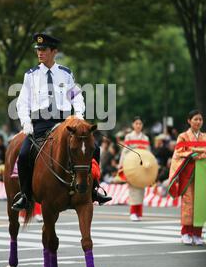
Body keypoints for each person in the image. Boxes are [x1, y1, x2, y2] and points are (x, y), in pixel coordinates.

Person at [12, 32, 111, 211]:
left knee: (94, 148)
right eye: (38, 50)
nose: (39, 53)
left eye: (43, 49)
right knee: (24, 154)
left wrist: (79, 115)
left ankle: (94, 189)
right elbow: (22, 102)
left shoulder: (65, 74)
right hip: (40, 124)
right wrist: (26, 122)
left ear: (54, 51)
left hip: (65, 124)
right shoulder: (31, 75)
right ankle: (25, 195)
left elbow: (76, 95)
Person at [168, 110, 206, 245]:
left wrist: (196, 153)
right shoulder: (183, 136)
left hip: (202, 175)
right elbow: (178, 153)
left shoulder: (205, 137)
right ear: (189, 121)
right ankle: (186, 233)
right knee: (188, 203)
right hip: (188, 173)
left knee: (201, 204)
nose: (198, 122)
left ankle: (197, 234)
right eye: (195, 119)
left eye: (200, 119)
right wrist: (196, 154)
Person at [118, 116, 150, 221]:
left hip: (141, 166)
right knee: (132, 189)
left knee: (141, 189)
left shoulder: (145, 138)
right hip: (131, 166)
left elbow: (148, 152)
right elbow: (125, 151)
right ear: (133, 125)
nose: (138, 125)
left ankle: (139, 213)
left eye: (140, 124)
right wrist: (121, 164)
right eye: (136, 123)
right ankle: (133, 212)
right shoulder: (129, 137)